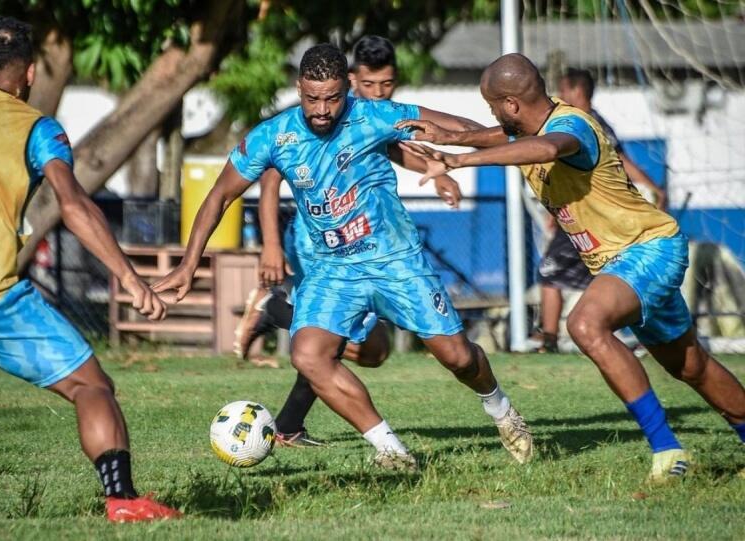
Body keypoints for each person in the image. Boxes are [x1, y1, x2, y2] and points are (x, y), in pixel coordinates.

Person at [156, 44, 533, 470]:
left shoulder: (375, 116)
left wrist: (517, 131)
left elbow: (456, 127)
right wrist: (189, 265)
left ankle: (502, 410)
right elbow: (220, 195)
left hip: (395, 260)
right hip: (332, 270)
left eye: (332, 98)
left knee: (458, 358)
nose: (322, 110)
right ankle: (391, 451)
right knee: (309, 355)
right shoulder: (273, 136)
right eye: (312, 98)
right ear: (298, 88)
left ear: (346, 90)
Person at [398, 53, 745, 481]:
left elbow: (545, 147)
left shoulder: (572, 125)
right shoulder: (533, 125)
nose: (493, 117)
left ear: (510, 104)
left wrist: (459, 160)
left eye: (493, 107)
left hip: (646, 249)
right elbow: (501, 137)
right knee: (689, 366)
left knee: (585, 323)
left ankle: (667, 451)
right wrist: (451, 137)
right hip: (630, 256)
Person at [0, 17, 181, 521]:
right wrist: (130, 278)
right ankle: (122, 500)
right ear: (30, 75)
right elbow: (72, 204)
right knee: (91, 386)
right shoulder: (37, 126)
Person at [234, 35, 463, 447]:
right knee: (327, 341)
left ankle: (277, 316)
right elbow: (269, 177)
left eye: (387, 85)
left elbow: (393, 150)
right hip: (319, 244)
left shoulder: (366, 116)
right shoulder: (314, 116)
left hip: (366, 244)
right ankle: (288, 420)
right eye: (370, 85)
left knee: (372, 351)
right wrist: (270, 243)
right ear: (352, 78)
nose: (378, 92)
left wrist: (436, 168)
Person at [531, 68, 668, 354]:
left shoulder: (584, 124)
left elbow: (619, 159)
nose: (559, 96)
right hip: (582, 212)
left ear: (577, 92)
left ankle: (549, 340)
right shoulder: (580, 122)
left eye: (563, 90)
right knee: (612, 276)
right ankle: (650, 335)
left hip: (591, 215)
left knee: (550, 271)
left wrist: (652, 188)